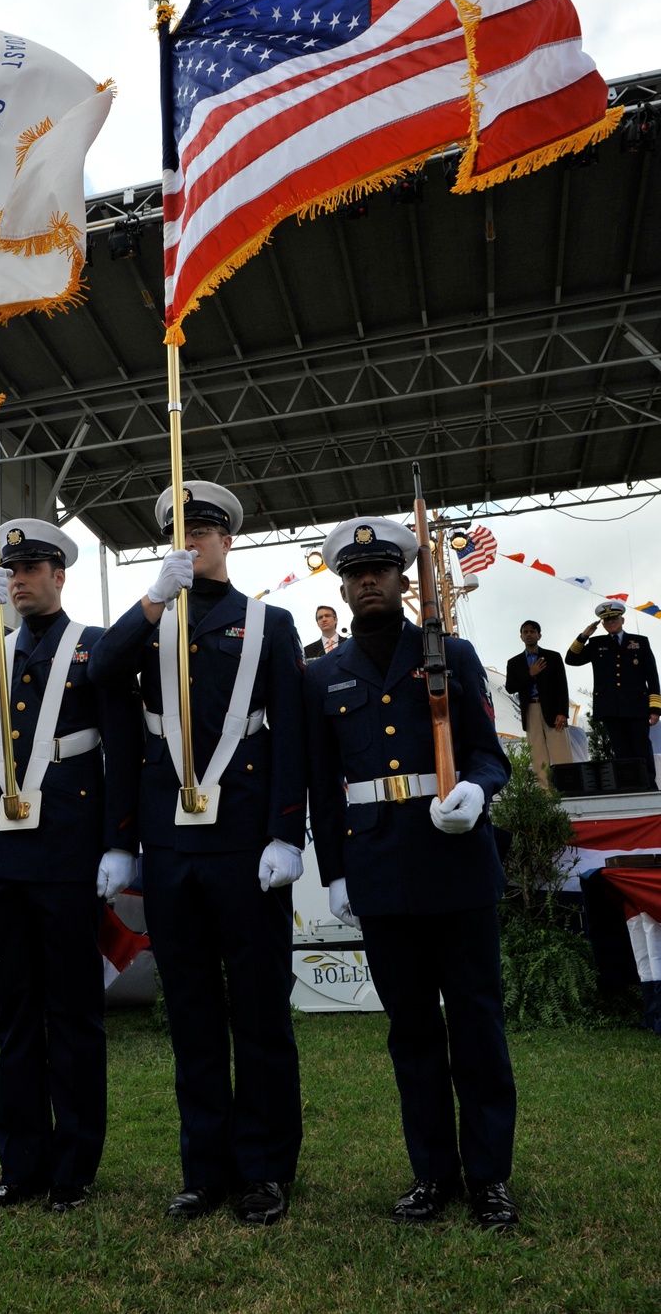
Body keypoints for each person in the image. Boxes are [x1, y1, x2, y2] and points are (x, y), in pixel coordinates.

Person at [88, 482, 306, 1226]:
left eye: (203, 529)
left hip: (245, 840)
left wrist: (287, 831)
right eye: (179, 532)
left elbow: (289, 735)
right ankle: (203, 1169)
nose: (191, 541)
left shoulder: (270, 623)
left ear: (227, 540)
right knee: (191, 1013)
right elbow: (101, 672)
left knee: (259, 1009)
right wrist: (152, 599)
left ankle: (266, 1169)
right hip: (170, 841)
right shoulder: (152, 622)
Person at [0, 519, 142, 1215]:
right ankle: (20, 1165)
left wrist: (120, 842)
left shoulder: (97, 644)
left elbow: (124, 746)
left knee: (72, 1012)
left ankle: (73, 1167)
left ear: (59, 575)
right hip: (1, 851)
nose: (17, 580)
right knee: (15, 1013)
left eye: (30, 569)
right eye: (9, 571)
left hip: (70, 848)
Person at [303, 517, 517, 1230]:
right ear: (342, 586)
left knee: (478, 1025)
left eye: (381, 570)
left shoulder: (450, 653)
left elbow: (489, 754)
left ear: (402, 580)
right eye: (355, 573)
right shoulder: (322, 675)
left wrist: (477, 792)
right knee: (414, 1032)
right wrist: (335, 872)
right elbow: (321, 783)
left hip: (457, 862)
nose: (368, 580)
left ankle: (489, 1177)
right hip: (380, 868)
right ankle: (432, 1174)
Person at [565, 601, 660, 789]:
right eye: (607, 620)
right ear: (602, 624)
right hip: (610, 707)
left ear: (622, 620)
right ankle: (628, 786)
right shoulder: (597, 644)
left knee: (642, 748)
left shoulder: (639, 642)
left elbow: (652, 676)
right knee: (621, 751)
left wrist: (655, 708)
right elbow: (571, 659)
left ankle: (649, 786)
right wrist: (584, 636)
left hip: (636, 706)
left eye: (614, 618)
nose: (611, 622)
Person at [504, 621, 573, 790]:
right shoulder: (514, 662)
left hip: (553, 710)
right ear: (521, 636)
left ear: (539, 635)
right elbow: (510, 687)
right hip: (530, 709)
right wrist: (530, 674)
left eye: (532, 631)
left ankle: (567, 789)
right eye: (525, 632)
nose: (529, 634)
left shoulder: (552, 657)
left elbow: (562, 686)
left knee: (561, 751)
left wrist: (562, 712)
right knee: (537, 753)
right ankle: (545, 793)